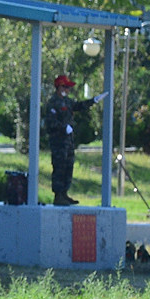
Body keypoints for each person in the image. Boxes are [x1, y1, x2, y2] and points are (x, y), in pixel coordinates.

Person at [45, 75, 108, 206]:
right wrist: (63, 128)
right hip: (58, 142)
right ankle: (58, 195)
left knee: (68, 167)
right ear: (60, 87)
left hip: (68, 142)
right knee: (59, 167)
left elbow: (79, 106)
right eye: (66, 87)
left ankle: (64, 194)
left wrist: (94, 100)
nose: (68, 90)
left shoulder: (67, 102)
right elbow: (50, 122)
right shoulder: (53, 102)